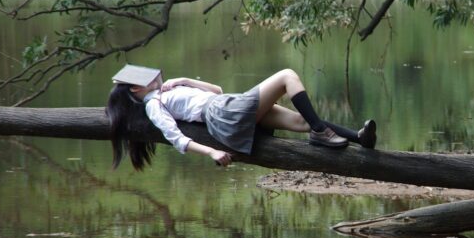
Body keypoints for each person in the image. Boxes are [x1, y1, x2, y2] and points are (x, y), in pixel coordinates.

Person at [106, 64, 377, 170]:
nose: (156, 76)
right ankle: (321, 133)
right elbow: (176, 139)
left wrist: (186, 79)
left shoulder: (168, 90)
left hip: (224, 103)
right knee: (286, 76)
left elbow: (217, 90)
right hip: (223, 114)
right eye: (149, 78)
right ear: (136, 89)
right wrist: (211, 152)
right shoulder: (154, 106)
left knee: (301, 122)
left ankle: (357, 137)